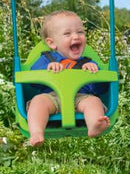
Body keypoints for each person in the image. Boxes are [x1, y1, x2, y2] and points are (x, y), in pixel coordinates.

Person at [25, 10, 110, 145]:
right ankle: (36, 133)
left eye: (80, 32)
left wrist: (93, 74)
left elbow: (101, 89)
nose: (76, 37)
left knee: (94, 102)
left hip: (81, 97)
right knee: (37, 102)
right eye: (67, 34)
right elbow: (33, 82)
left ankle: (94, 126)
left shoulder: (88, 62)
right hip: (52, 97)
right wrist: (47, 70)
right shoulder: (47, 59)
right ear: (52, 43)